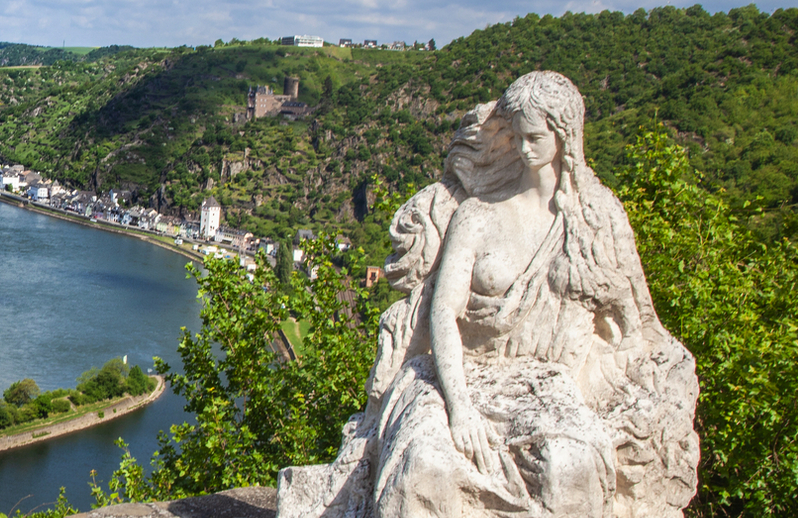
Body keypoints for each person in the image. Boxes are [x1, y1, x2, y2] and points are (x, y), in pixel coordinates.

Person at [279, 72, 698, 518]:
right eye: (516, 136)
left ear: (565, 137)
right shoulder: (478, 216)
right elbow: (443, 312)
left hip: (545, 387)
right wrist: (460, 409)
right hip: (453, 375)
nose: (523, 148)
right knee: (427, 464)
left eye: (535, 137)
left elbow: (635, 324)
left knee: (571, 466)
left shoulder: (595, 222)